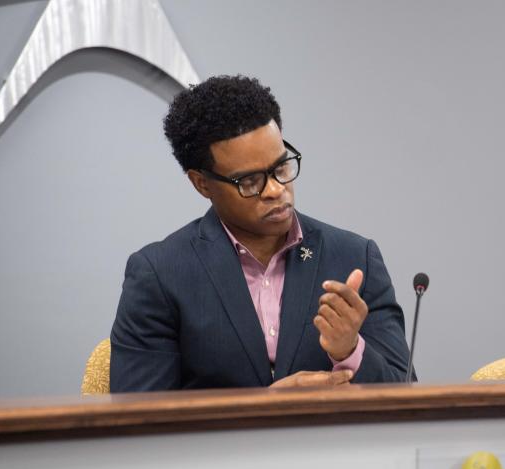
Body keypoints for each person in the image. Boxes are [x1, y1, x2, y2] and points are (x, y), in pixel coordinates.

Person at [110, 75, 410, 391]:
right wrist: (265, 408)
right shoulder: (160, 275)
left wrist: (350, 350)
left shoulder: (354, 258)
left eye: (281, 168)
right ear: (202, 183)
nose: (276, 190)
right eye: (250, 181)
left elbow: (405, 397)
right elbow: (139, 418)